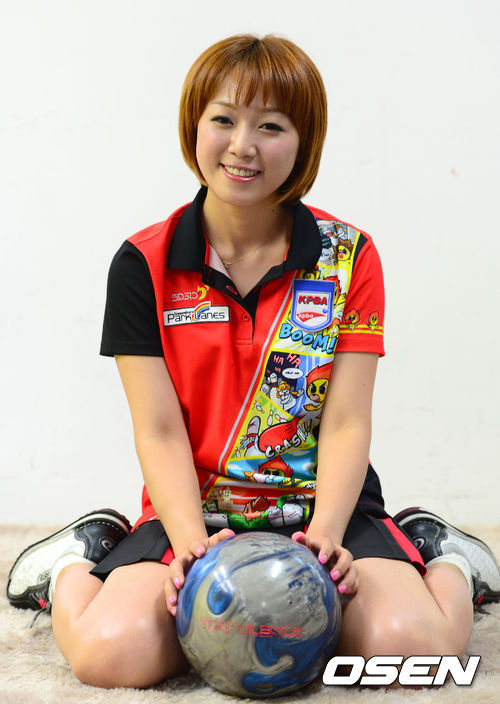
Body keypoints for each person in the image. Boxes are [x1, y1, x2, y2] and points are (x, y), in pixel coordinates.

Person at [7, 34, 500, 690]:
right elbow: (158, 430)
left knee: (412, 650)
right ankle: (74, 560)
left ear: (303, 143)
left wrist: (328, 534)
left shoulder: (349, 256)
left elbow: (347, 421)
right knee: (110, 656)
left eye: (271, 126)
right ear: (194, 125)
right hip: (195, 509)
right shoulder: (143, 263)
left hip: (320, 505)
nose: (243, 145)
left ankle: (445, 557)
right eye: (224, 119)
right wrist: (190, 543)